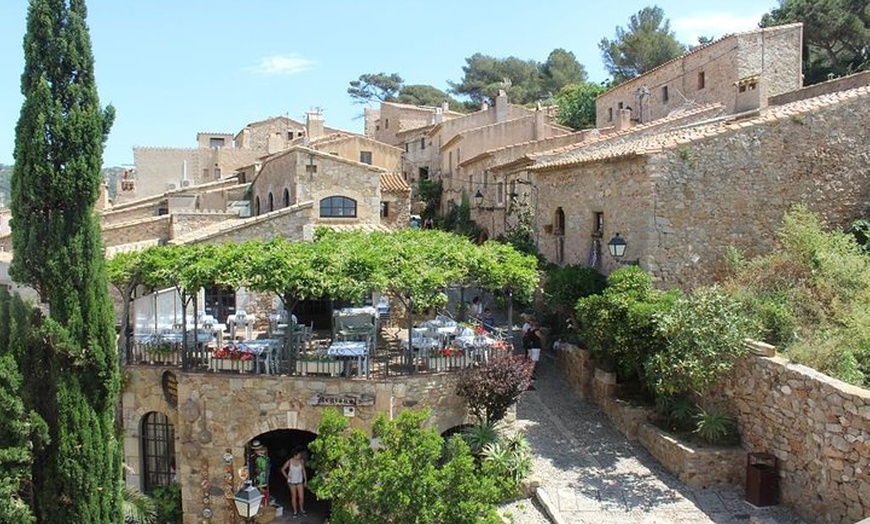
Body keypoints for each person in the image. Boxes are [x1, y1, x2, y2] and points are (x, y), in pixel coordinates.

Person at [281, 448, 308, 517]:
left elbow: (303, 471)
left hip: (299, 481)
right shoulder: (289, 461)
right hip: (291, 481)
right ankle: (295, 511)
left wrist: (305, 480)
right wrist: (287, 477)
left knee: (301, 496)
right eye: (299, 455)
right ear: (295, 455)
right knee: (294, 496)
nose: (300, 456)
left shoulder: (301, 461)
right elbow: (282, 469)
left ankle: (302, 510)